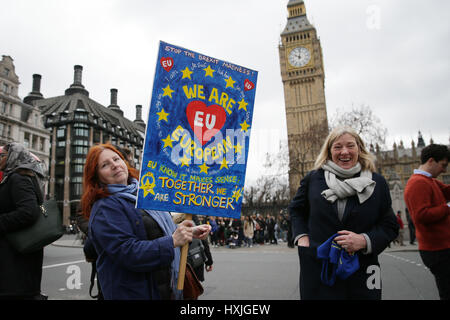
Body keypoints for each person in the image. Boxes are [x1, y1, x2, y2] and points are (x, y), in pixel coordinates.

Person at [81, 143, 211, 300]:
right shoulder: (105, 207)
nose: (114, 165)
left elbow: (157, 230)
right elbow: (127, 252)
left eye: (116, 159)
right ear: (97, 176)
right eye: (105, 165)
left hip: (164, 288)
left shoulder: (145, 193)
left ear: (124, 162)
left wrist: (187, 231)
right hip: (135, 293)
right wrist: (172, 241)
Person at [288, 126, 398, 300]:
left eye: (350, 146)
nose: (344, 152)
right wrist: (302, 237)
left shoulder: (377, 183)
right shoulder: (314, 179)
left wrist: (364, 240)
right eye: (338, 147)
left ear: (359, 149)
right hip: (319, 267)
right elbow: (296, 210)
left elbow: (390, 225)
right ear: (329, 151)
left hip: (363, 270)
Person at [0, 142, 48, 300]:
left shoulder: (18, 177)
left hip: (16, 259)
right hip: (20, 256)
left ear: (13, 157)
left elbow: (28, 212)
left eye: (2, 155)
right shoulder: (20, 176)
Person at [404, 143, 450, 300]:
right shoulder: (418, 183)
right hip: (437, 250)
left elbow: (446, 191)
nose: (444, 170)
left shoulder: (429, 180)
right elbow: (421, 215)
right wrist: (448, 207)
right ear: (431, 161)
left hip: (442, 247)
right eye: (443, 165)